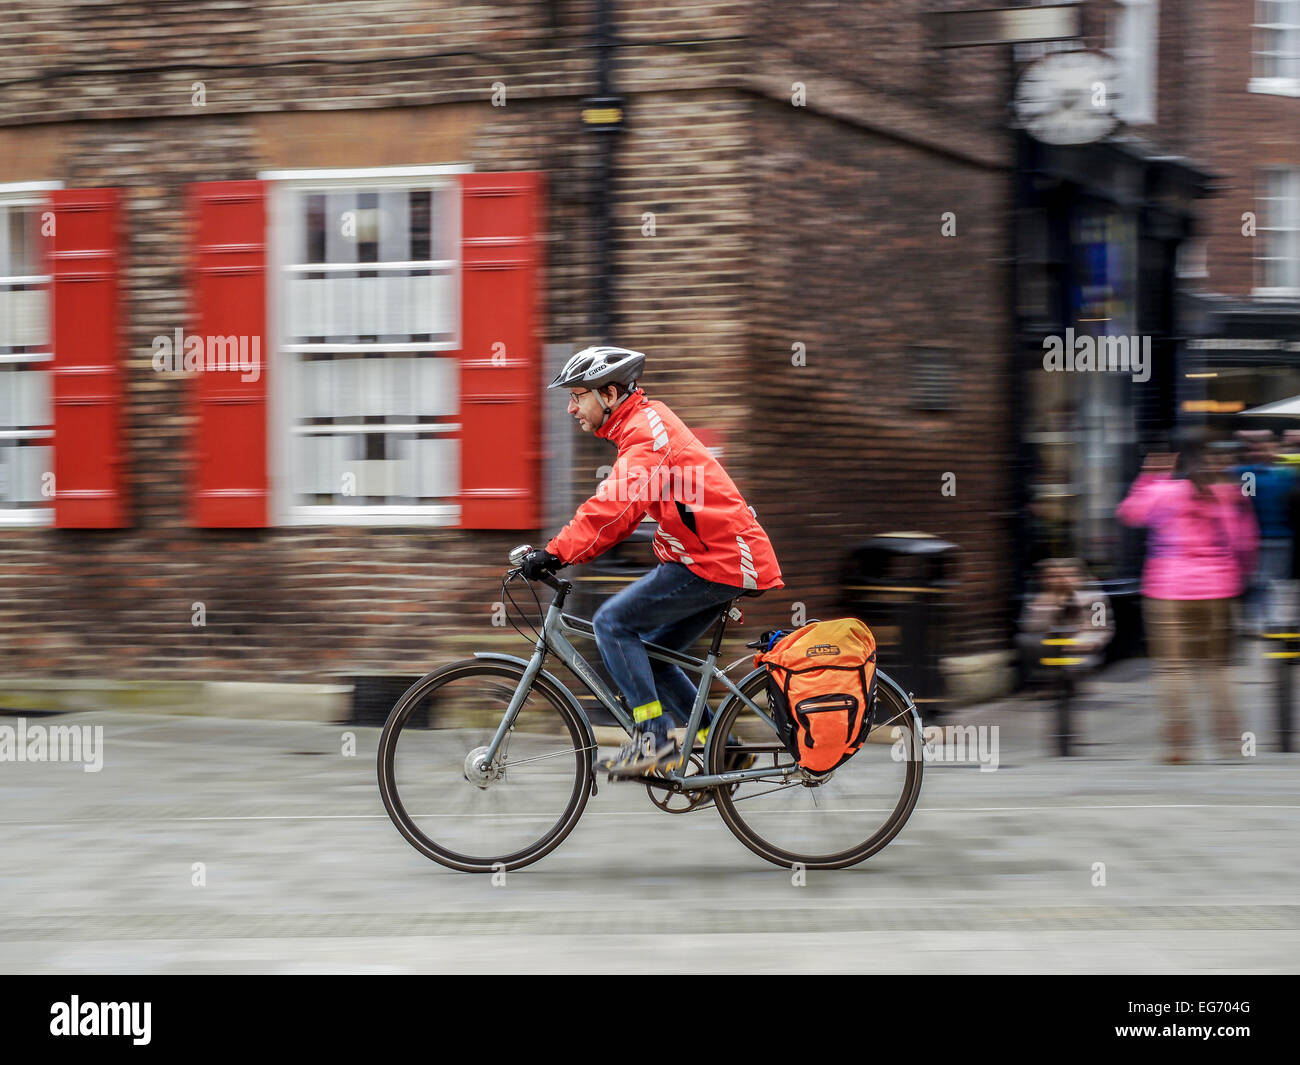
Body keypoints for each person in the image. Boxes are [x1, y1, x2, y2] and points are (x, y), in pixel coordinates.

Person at [518, 346, 784, 777]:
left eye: (577, 396)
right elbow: (627, 513)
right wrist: (562, 551)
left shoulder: (646, 433)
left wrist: (555, 552)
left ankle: (654, 744)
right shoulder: (642, 426)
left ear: (608, 393)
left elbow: (615, 509)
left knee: (612, 624)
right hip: (710, 559)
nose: (570, 407)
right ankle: (724, 749)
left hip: (717, 562)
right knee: (655, 658)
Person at [1116, 442, 1258, 763]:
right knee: (1218, 668)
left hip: (1168, 590)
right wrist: (1239, 576)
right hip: (1219, 591)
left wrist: (1151, 477)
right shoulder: (1232, 495)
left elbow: (1129, 513)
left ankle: (1179, 745)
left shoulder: (1164, 490)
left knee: (1173, 670)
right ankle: (1230, 741)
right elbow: (1245, 544)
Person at [1229, 431, 1294, 634]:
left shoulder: (1285, 473)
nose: (1261, 450)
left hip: (1280, 535)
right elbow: (1246, 502)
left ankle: (1267, 619)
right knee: (1256, 581)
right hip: (1256, 536)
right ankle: (1258, 620)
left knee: (1270, 582)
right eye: (1256, 447)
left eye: (1266, 446)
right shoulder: (1248, 473)